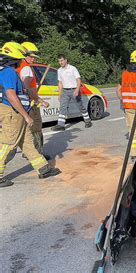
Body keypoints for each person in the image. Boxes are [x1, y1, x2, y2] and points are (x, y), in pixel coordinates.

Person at [0, 43, 61, 187]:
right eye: (19, 59)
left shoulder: (3, 70)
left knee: (27, 142)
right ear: (13, 58)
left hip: (13, 111)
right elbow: (10, 95)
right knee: (6, 144)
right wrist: (26, 116)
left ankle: (43, 169)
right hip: (12, 112)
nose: (20, 62)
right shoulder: (8, 71)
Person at [16, 41, 51, 160]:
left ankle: (27, 152)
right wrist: (38, 99)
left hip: (21, 103)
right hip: (30, 103)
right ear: (25, 55)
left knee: (26, 130)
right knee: (36, 129)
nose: (33, 60)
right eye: (31, 57)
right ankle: (38, 154)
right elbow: (26, 88)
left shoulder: (17, 66)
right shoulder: (26, 69)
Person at [51, 54, 92, 131]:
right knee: (62, 108)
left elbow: (78, 80)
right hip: (64, 91)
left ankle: (88, 121)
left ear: (66, 60)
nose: (60, 62)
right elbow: (60, 83)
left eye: (62, 60)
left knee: (80, 106)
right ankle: (61, 125)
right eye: (59, 61)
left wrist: (77, 90)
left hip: (74, 90)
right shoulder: (59, 70)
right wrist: (59, 94)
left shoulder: (73, 68)